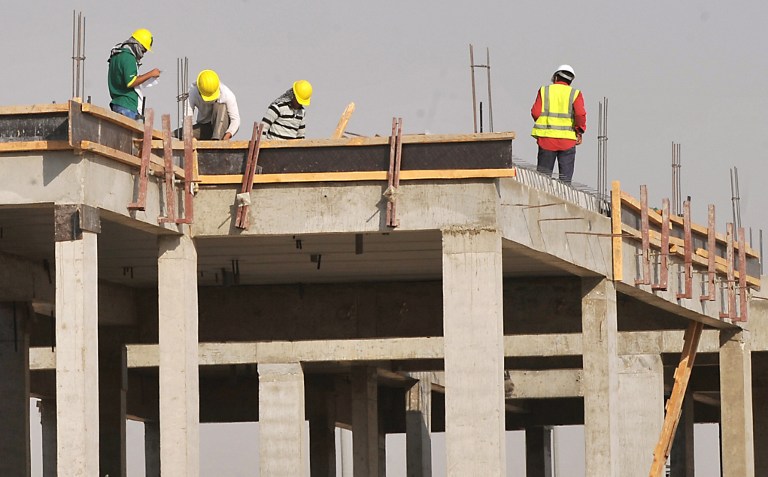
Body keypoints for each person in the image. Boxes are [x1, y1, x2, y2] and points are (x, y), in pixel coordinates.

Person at [530, 64, 586, 183]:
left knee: (543, 181)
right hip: (567, 141)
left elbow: (535, 112)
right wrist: (579, 131)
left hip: (546, 140)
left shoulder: (544, 91)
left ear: (556, 77)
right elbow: (580, 114)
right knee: (565, 183)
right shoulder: (575, 93)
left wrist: (544, 124)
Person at [107, 28, 160, 120]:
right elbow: (130, 82)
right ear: (137, 45)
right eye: (143, 50)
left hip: (118, 103)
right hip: (127, 105)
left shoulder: (116, 55)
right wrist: (151, 74)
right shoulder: (128, 57)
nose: (143, 54)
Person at [185, 69, 240, 140]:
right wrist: (187, 135)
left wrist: (228, 135)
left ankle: (216, 140)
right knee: (180, 134)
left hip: (222, 127)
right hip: (204, 127)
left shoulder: (227, 94)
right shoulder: (193, 93)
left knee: (220, 106)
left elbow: (235, 120)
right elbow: (187, 118)